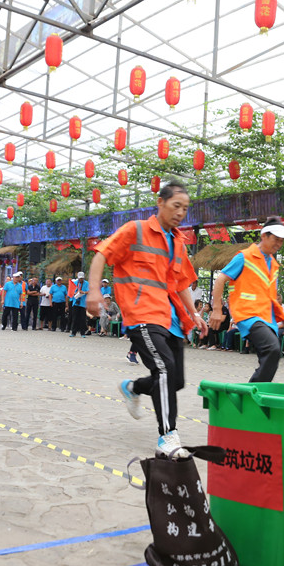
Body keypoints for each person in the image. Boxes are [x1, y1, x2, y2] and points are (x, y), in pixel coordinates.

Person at [85, 180, 208, 458]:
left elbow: (182, 283)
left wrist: (194, 314)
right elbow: (102, 254)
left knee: (174, 381)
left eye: (185, 208)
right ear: (160, 202)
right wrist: (94, 292)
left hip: (171, 317)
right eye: (176, 206)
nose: (180, 212)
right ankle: (168, 437)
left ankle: (133, 387)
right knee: (164, 369)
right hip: (141, 313)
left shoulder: (178, 241)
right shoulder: (135, 230)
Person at [209, 217, 284, 382]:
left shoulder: (274, 265)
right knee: (272, 349)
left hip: (266, 318)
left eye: (281, 241)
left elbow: (271, 297)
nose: (279, 244)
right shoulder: (245, 256)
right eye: (276, 239)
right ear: (264, 236)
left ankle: (255, 393)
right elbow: (220, 279)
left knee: (271, 357)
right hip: (247, 314)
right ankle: (251, 393)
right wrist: (217, 309)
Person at [69, 271, 89, 338]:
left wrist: (83, 292)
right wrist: (76, 293)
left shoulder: (86, 283)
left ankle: (82, 333)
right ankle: (73, 332)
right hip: (75, 303)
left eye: (82, 278)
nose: (81, 280)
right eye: (80, 278)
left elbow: (89, 291)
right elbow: (71, 292)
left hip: (83, 303)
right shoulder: (75, 283)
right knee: (74, 318)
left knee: (82, 319)